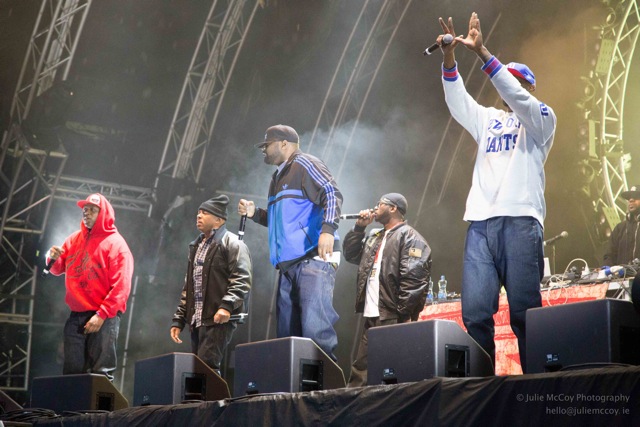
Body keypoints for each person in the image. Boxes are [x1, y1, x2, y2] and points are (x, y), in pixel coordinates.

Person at [436, 12, 557, 372]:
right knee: (475, 313)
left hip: (521, 221)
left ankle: (537, 385)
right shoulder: (489, 119)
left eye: (516, 83)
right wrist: (449, 58)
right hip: (480, 224)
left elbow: (513, 92)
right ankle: (481, 390)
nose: (508, 88)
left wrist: (483, 53)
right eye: (507, 80)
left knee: (525, 312)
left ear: (528, 89)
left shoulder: (542, 119)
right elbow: (458, 102)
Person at [238, 124, 343, 360]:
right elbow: (282, 221)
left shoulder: (305, 163)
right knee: (288, 338)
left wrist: (328, 230)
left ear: (284, 144)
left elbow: (332, 192)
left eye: (267, 145)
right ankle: (295, 384)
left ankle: (322, 383)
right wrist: (256, 214)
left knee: (315, 332)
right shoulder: (276, 177)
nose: (263, 150)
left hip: (312, 258)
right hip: (288, 265)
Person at [342, 193, 432, 387]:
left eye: (380, 204)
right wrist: (359, 228)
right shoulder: (375, 236)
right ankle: (354, 402)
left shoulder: (410, 237)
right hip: (372, 313)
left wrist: (403, 315)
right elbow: (351, 255)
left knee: (392, 370)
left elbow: (414, 281)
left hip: (393, 315)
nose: (375, 208)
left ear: (393, 208)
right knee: (361, 370)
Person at [46, 193, 134, 381]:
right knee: (72, 373)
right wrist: (52, 258)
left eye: (92, 210)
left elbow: (122, 286)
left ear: (104, 214)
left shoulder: (116, 244)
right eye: (85, 210)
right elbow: (57, 268)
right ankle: (73, 402)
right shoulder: (73, 239)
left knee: (100, 374)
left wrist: (102, 315)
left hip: (104, 317)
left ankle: (98, 403)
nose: (86, 213)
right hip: (76, 316)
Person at [170, 194, 252, 373]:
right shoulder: (196, 246)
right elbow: (190, 286)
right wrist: (179, 319)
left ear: (218, 220)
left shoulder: (233, 243)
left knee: (207, 368)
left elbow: (242, 278)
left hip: (218, 318)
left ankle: (213, 393)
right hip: (198, 318)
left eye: (205, 213)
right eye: (198, 212)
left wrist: (226, 306)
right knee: (198, 369)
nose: (199, 215)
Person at [603, 185, 640, 266]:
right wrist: (608, 269)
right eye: (629, 198)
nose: (631, 200)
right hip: (622, 274)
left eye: (636, 197)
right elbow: (609, 255)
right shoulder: (620, 228)